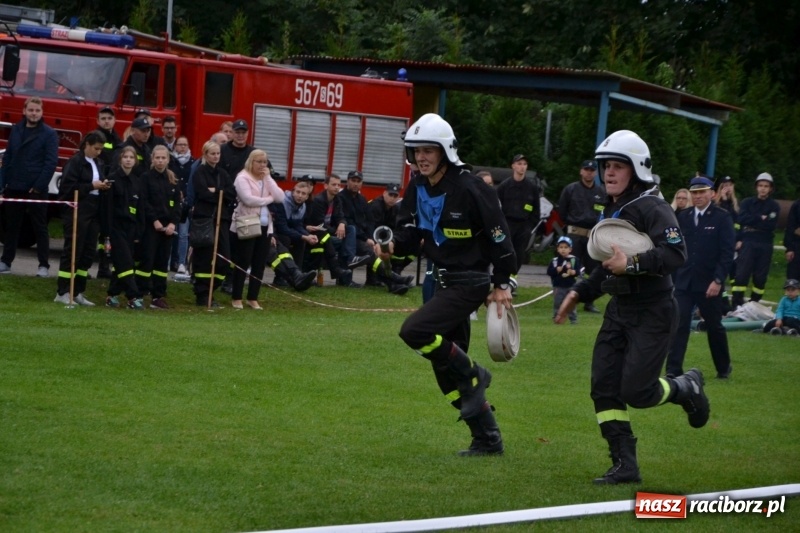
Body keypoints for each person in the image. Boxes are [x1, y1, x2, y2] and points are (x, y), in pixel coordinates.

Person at [554, 129, 709, 485]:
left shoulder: (654, 206)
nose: (608, 172)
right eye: (606, 165)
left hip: (654, 311)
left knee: (638, 392)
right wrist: (578, 293)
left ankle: (686, 387)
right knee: (603, 387)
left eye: (617, 166)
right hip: (619, 309)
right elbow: (608, 263)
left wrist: (633, 265)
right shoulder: (613, 207)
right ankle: (624, 464)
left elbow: (675, 254)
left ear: (637, 169)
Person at [377, 113, 516, 456]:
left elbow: (502, 239)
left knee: (413, 331)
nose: (421, 157)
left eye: (428, 150)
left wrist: (502, 284)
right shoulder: (417, 186)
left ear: (445, 151)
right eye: (416, 151)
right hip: (438, 282)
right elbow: (412, 234)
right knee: (446, 375)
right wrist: (392, 245)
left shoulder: (472, 188)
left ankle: (476, 372)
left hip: (470, 283)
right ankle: (487, 438)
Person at [665, 176, 735, 380]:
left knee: (714, 327)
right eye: (694, 192)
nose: (698, 196)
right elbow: (673, 246)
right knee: (679, 324)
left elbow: (727, 252)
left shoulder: (722, 218)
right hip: (684, 282)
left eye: (702, 192)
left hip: (709, 283)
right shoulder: (682, 217)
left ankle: (723, 367)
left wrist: (718, 280)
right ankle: (673, 369)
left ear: (712, 193)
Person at [229, 150, 313, 309]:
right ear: (251, 162)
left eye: (264, 162)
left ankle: (253, 297)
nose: (262, 165)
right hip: (247, 222)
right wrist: (268, 199)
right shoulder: (242, 177)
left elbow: (280, 197)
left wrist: (267, 178)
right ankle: (237, 297)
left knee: (259, 263)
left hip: (265, 225)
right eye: (259, 162)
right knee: (244, 260)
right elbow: (248, 199)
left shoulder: (266, 179)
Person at [0, 97, 59, 277]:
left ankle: (43, 266)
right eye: (31, 110)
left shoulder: (49, 134)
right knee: (11, 226)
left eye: (37, 110)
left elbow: (50, 163)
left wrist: (39, 186)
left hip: (36, 189)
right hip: (15, 185)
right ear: (24, 111)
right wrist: (3, 183)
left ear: (42, 113)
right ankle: (5, 261)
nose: (34, 113)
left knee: (39, 227)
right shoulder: (16, 129)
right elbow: (8, 157)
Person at [53, 131, 111, 305]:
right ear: (86, 144)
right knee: (73, 251)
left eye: (101, 149)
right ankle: (62, 291)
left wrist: (103, 185)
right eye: (96, 148)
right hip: (78, 209)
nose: (98, 152)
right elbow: (67, 189)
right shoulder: (75, 162)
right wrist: (90, 186)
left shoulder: (99, 163)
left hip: (94, 210)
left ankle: (78, 291)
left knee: (87, 253)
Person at [340, 170, 412, 293]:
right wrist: (367, 238)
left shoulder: (362, 199)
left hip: (362, 237)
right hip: (348, 237)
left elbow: (369, 222)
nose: (356, 184)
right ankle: (392, 281)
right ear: (347, 181)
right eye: (353, 181)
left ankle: (391, 281)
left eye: (359, 181)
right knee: (371, 252)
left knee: (372, 250)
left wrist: (371, 239)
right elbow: (348, 222)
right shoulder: (341, 198)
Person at [557, 159, 607, 313]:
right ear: (581, 171)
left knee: (594, 270)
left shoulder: (601, 192)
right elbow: (562, 212)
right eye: (586, 169)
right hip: (574, 235)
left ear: (595, 173)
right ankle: (564, 301)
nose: (589, 173)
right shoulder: (571, 189)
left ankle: (588, 301)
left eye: (592, 170)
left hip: (592, 237)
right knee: (569, 268)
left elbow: (605, 213)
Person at [191, 140, 236, 307]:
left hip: (222, 220)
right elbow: (202, 193)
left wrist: (216, 191)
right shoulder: (199, 172)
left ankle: (213, 287)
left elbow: (231, 193)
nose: (216, 156)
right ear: (205, 154)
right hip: (204, 219)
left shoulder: (223, 174)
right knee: (204, 257)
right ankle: (202, 293)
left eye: (218, 153)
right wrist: (219, 194)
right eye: (212, 153)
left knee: (224, 258)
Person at [137, 145, 181, 309]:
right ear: (152, 159)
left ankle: (158, 296)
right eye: (157, 158)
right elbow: (144, 201)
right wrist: (154, 220)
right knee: (147, 261)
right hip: (151, 227)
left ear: (168, 160)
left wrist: (172, 223)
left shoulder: (172, 179)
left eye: (163, 158)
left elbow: (177, 204)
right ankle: (140, 294)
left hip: (167, 229)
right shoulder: (145, 178)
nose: (160, 161)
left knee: (162, 264)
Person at [104, 146, 146, 310]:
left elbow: (140, 208)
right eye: (125, 157)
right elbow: (107, 208)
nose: (128, 159)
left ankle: (112, 294)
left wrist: (139, 231)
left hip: (131, 228)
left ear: (135, 161)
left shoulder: (137, 182)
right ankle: (133, 296)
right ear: (120, 159)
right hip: (116, 227)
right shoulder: (112, 180)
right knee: (126, 262)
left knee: (121, 263)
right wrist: (106, 232)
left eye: (131, 157)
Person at [730, 173, 780, 308]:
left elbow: (771, 224)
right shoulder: (747, 202)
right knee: (741, 274)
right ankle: (736, 304)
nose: (763, 189)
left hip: (765, 242)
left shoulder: (774, 206)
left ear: (770, 188)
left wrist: (753, 219)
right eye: (760, 185)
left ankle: (754, 304)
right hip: (748, 241)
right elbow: (741, 219)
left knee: (760, 277)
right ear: (756, 187)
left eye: (766, 186)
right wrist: (760, 217)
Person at [303, 174, 360, 287]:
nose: (336, 187)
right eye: (333, 184)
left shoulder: (337, 199)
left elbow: (340, 216)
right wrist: (336, 230)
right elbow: (319, 223)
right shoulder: (319, 200)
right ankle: (341, 274)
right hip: (317, 233)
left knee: (351, 229)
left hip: (329, 232)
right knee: (338, 240)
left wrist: (342, 224)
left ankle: (350, 259)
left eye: (338, 185)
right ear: (325, 186)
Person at [495, 154, 541, 290]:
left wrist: (529, 227)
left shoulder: (531, 187)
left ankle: (512, 282)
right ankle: (500, 281)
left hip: (523, 226)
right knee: (504, 253)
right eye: (519, 163)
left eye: (524, 164)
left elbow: (536, 210)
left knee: (519, 254)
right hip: (507, 224)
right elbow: (497, 208)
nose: (522, 167)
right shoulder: (504, 186)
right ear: (513, 166)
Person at [94, 106, 124, 279]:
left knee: (108, 230)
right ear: (98, 121)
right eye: (103, 118)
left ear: (114, 120)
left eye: (109, 118)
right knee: (98, 229)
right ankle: (100, 264)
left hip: (111, 188)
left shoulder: (117, 139)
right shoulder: (95, 138)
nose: (107, 121)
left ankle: (105, 265)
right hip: (98, 187)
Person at [369, 183, 417, 275]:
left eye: (395, 195)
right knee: (381, 250)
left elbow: (395, 227)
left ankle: (396, 270)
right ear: (384, 193)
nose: (392, 198)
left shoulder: (395, 209)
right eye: (390, 195)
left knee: (413, 246)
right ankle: (378, 276)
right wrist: (376, 242)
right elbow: (371, 227)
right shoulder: (376, 206)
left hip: (385, 239)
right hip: (370, 237)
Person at [169, 135, 194, 274]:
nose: (182, 147)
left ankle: (181, 263)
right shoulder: (171, 162)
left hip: (185, 204)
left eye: (185, 144)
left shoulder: (193, 162)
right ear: (175, 146)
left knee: (183, 234)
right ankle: (169, 262)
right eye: (180, 144)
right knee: (171, 232)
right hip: (172, 202)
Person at [547, 236, 582, 324]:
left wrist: (574, 272)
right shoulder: (554, 261)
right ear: (557, 249)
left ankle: (573, 320)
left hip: (571, 286)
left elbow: (579, 271)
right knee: (557, 303)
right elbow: (549, 272)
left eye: (566, 247)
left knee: (570, 304)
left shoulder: (574, 260)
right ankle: (556, 318)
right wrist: (556, 270)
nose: (563, 250)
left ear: (570, 249)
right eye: (561, 247)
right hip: (558, 286)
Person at [783, 198, 800, 281]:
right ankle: (793, 294)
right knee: (793, 279)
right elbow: (790, 226)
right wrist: (789, 249)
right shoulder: (797, 205)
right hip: (797, 246)